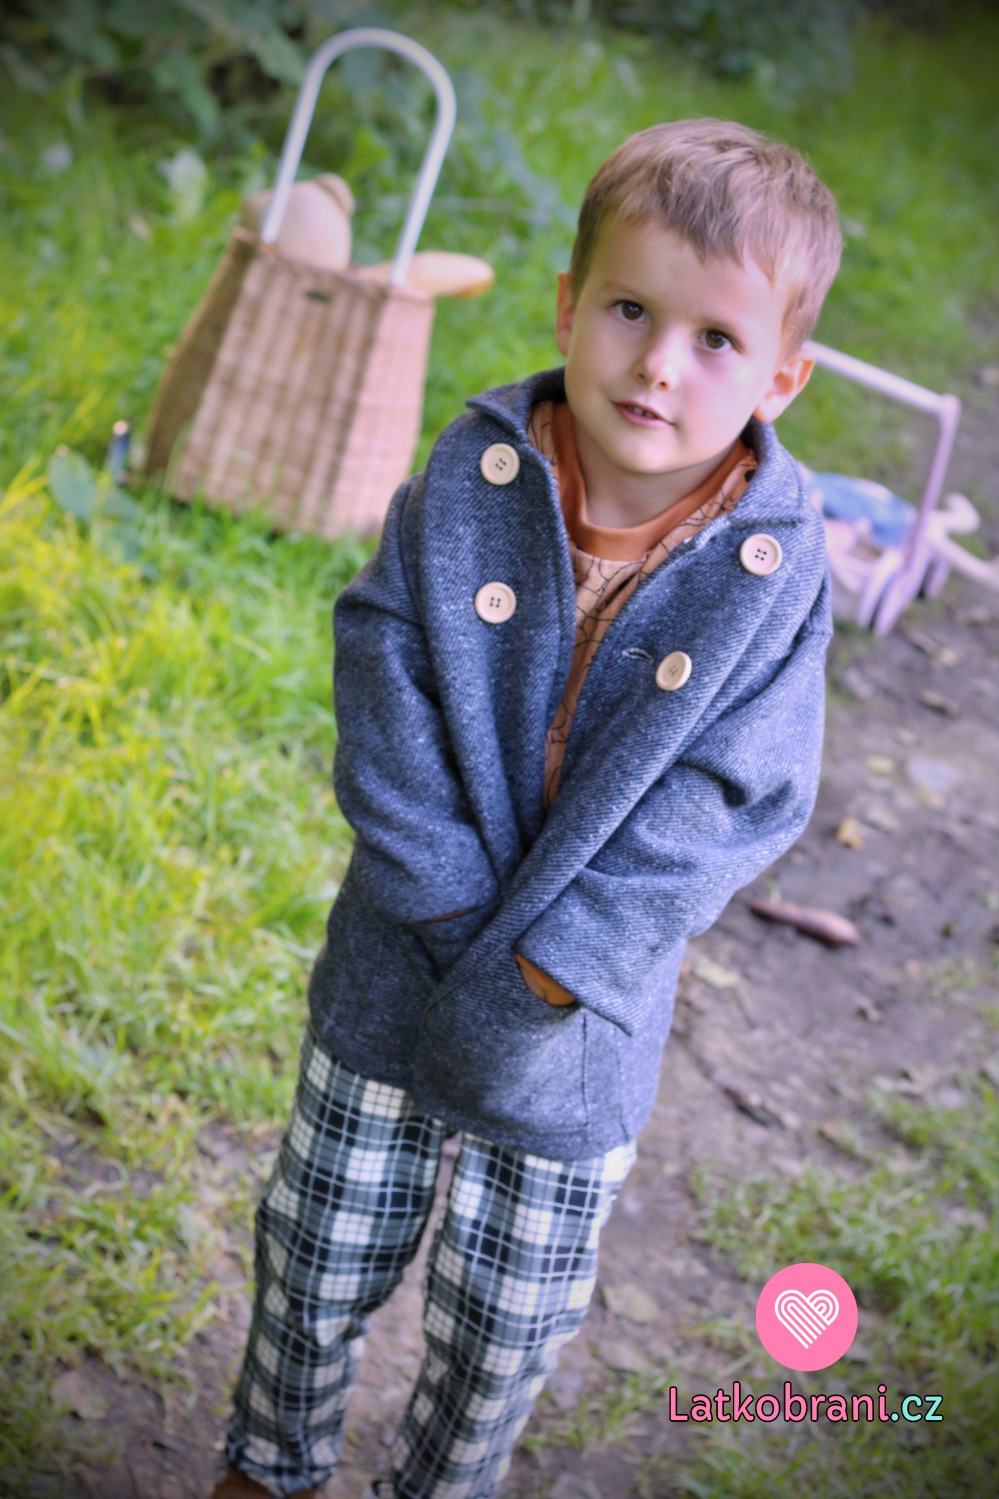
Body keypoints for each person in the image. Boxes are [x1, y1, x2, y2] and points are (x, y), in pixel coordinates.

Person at [212, 117, 842, 1499]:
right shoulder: (475, 472)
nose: (659, 364)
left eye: (717, 339)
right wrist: (444, 904)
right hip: (400, 957)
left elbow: (736, 795)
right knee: (316, 1252)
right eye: (630, 311)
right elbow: (385, 667)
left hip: (573, 1026)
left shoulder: (776, 571)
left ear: (783, 376)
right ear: (569, 306)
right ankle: (267, 1464)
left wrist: (557, 966)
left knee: (505, 1326)